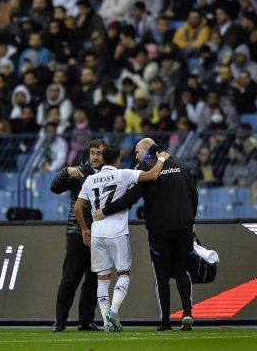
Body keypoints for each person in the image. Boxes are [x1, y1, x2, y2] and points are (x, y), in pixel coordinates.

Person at [98, 138, 197, 331]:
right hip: (184, 226)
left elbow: (130, 198)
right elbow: (194, 195)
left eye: (137, 151)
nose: (136, 155)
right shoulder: (181, 165)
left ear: (145, 150)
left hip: (159, 229)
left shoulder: (144, 168)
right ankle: (187, 313)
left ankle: (166, 321)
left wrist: (105, 211)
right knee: (183, 271)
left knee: (161, 274)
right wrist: (190, 221)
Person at [74, 145, 170, 332]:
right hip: (117, 231)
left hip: (97, 232)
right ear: (117, 160)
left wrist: (85, 229)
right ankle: (113, 310)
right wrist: (162, 160)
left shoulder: (90, 180)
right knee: (124, 273)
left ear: (102, 159)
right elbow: (152, 175)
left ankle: (106, 323)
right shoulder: (123, 174)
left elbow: (78, 209)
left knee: (102, 279)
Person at [49, 139, 107, 333]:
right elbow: (55, 189)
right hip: (77, 232)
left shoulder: (111, 174)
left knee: (92, 280)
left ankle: (86, 321)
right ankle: (60, 321)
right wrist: (65, 170)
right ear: (89, 154)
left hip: (100, 234)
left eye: (99, 153)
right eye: (93, 153)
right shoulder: (79, 172)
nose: (96, 156)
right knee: (70, 278)